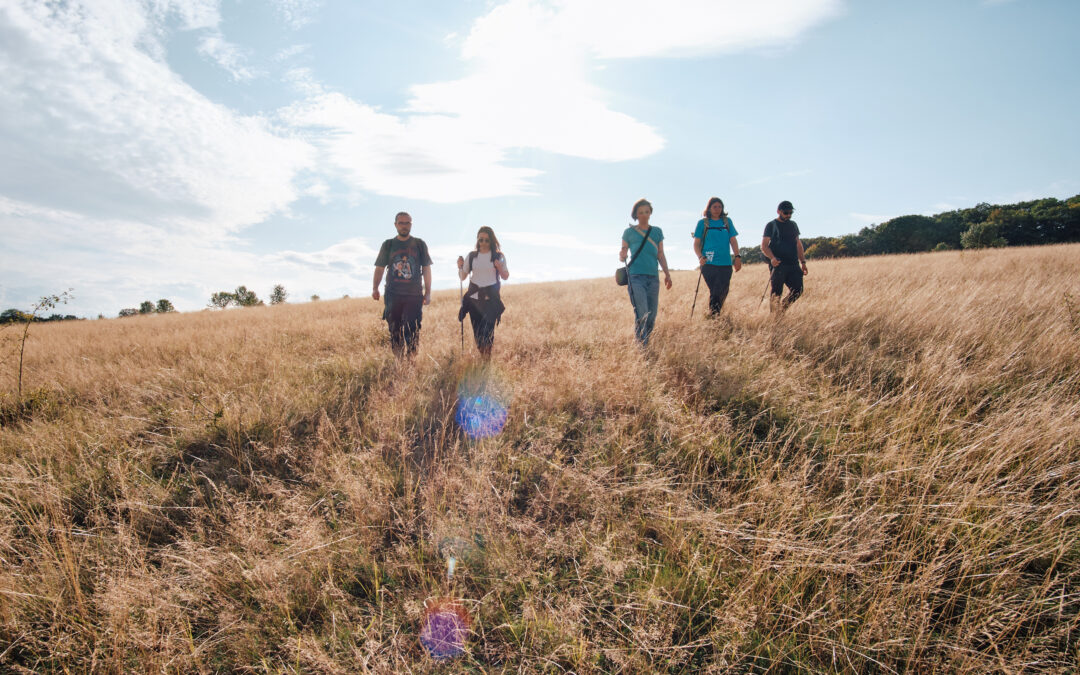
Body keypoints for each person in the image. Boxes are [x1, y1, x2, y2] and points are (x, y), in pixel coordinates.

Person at [372, 211, 433, 356]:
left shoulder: (419, 244)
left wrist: (428, 292)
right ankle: (398, 361)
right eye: (401, 223)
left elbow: (426, 269)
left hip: (414, 295)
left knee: (413, 328)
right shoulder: (388, 245)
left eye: (407, 223)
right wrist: (375, 288)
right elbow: (380, 268)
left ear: (411, 224)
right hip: (393, 294)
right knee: (394, 329)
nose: (404, 226)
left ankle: (411, 361)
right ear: (395, 225)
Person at [620, 198, 672, 347]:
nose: (644, 215)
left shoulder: (657, 232)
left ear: (650, 213)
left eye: (646, 212)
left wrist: (667, 274)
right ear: (636, 214)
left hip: (653, 278)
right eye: (640, 212)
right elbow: (622, 252)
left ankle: (645, 342)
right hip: (635, 277)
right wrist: (622, 254)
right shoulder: (629, 232)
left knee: (652, 316)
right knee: (642, 313)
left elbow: (660, 255)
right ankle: (641, 346)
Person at [457, 226, 509, 358]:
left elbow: (505, 276)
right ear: (478, 240)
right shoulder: (472, 256)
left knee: (488, 332)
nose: (484, 242)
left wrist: (499, 267)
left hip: (490, 300)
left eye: (486, 240)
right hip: (474, 300)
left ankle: (487, 360)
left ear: (491, 240)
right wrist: (460, 267)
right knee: (478, 333)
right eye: (481, 240)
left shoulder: (498, 256)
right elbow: (463, 277)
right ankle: (483, 357)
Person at [693, 197, 742, 316]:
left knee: (724, 291)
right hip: (708, 263)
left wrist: (737, 257)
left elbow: (733, 241)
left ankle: (713, 314)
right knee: (715, 291)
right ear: (709, 208)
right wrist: (700, 257)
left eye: (720, 207)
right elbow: (696, 243)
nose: (717, 209)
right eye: (714, 207)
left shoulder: (727, 221)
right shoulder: (703, 223)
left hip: (725, 263)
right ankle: (714, 316)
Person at [761, 200, 809, 313]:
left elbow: (798, 244)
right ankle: (774, 318)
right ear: (779, 211)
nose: (788, 215)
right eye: (786, 212)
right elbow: (764, 246)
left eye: (790, 213)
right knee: (776, 293)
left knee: (798, 290)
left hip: (793, 263)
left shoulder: (793, 225)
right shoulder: (771, 225)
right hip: (778, 265)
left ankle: (782, 309)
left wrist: (803, 262)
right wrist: (772, 258)